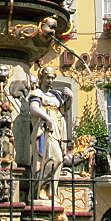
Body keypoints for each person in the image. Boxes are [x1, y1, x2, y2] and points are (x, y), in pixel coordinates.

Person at [28, 67, 72, 202]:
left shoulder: (55, 95)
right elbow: (34, 108)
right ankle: (40, 186)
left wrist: (70, 97)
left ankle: (50, 191)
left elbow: (64, 109)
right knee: (52, 158)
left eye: (52, 78)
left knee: (58, 160)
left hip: (58, 130)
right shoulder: (36, 93)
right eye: (48, 77)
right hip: (45, 130)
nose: (50, 80)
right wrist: (47, 119)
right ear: (41, 78)